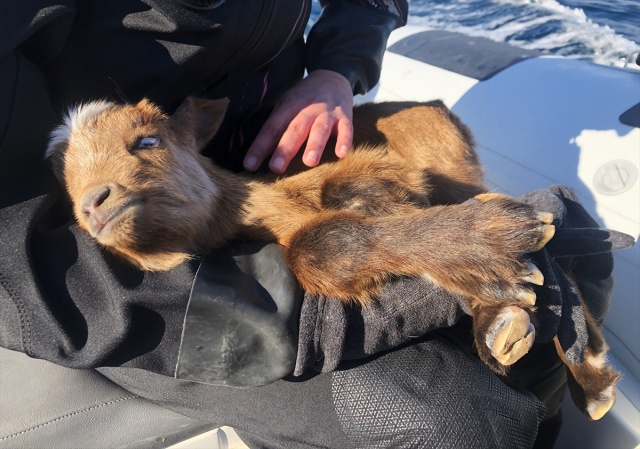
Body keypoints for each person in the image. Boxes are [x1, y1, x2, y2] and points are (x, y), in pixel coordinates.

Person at [2, 1, 612, 447]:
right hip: (124, 286)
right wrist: (331, 304)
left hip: (256, 161)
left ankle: (552, 412)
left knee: (574, 246)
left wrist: (336, 71)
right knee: (449, 422)